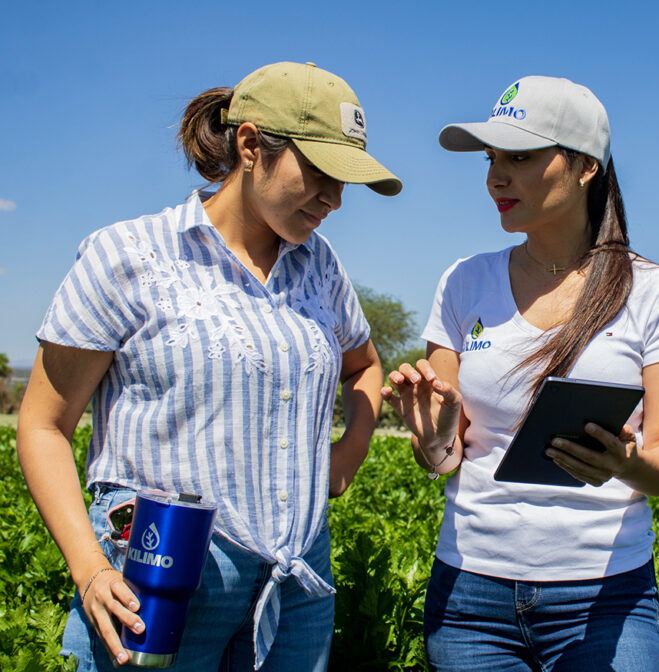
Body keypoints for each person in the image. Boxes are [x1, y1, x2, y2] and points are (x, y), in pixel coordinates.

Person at [17, 61, 401, 671]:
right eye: (319, 172)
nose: (333, 198)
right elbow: (44, 426)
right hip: (158, 574)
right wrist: (88, 568)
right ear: (250, 145)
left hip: (297, 583)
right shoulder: (130, 255)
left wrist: (346, 458)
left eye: (343, 181)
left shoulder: (319, 265)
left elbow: (364, 366)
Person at [382, 75, 659, 671]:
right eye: (491, 159)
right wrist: (434, 438)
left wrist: (626, 464)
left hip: (606, 596)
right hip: (469, 597)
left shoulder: (654, 290)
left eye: (520, 157)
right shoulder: (463, 281)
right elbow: (444, 460)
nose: (495, 178)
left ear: (586, 167)